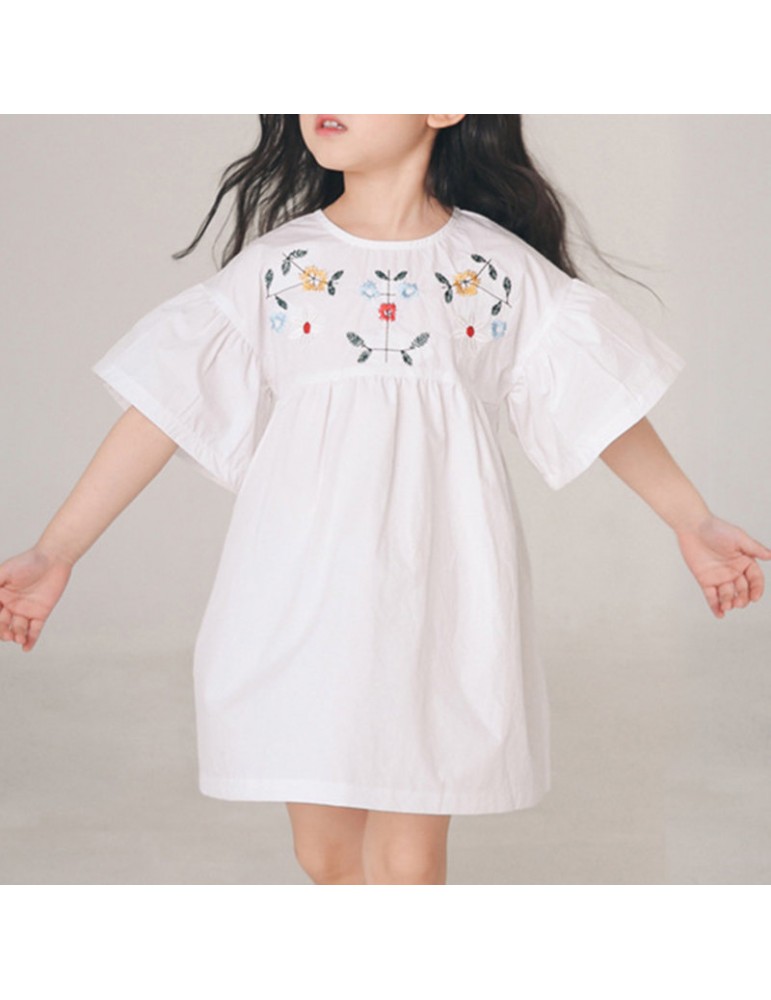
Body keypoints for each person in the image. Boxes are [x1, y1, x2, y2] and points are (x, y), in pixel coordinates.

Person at [1, 115, 769, 886]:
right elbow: (161, 411)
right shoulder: (280, 268)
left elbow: (599, 403)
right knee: (325, 856)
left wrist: (691, 518)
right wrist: (55, 551)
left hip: (434, 595)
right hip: (299, 597)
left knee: (405, 862)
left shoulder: (495, 270)